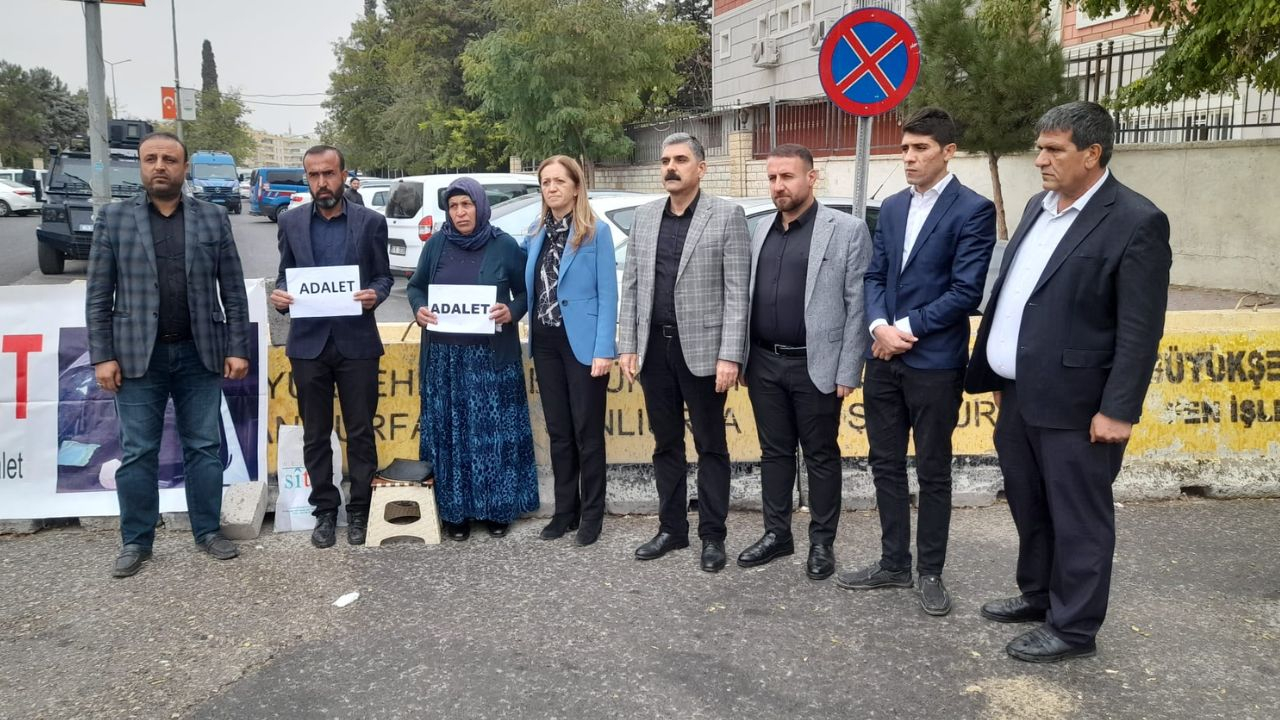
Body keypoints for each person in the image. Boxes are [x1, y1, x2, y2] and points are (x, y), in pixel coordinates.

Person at [966, 101, 1171, 662]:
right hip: (1020, 394)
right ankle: (1039, 595)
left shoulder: (1136, 221)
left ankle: (1075, 628)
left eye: (1054, 149)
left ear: (1092, 153)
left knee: (1079, 518)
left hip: (1080, 405)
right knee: (1030, 504)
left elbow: (1140, 329)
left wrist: (1119, 409)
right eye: (1040, 148)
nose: (1040, 160)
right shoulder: (1038, 206)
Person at [835, 108, 997, 617]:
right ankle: (893, 563)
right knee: (884, 463)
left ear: (948, 152)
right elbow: (874, 275)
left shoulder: (974, 210)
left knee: (933, 469)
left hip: (934, 362)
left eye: (920, 148)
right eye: (904, 147)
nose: (908, 157)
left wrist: (901, 330)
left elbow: (966, 291)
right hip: (883, 358)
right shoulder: (893, 207)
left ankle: (929, 570)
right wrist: (877, 326)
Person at [85, 131, 251, 577]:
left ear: (184, 168)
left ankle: (207, 531)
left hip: (201, 354)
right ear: (140, 165)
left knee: (204, 447)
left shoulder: (213, 218)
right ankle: (136, 541)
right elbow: (98, 295)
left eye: (170, 159)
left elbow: (233, 290)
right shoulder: (114, 219)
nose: (160, 166)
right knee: (139, 451)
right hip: (138, 357)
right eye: (151, 159)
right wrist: (102, 355)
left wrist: (237, 347)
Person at [736, 144, 872, 580]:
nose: (779, 185)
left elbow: (858, 305)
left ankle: (821, 543)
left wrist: (849, 369)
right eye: (772, 178)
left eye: (788, 176)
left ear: (811, 178)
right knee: (774, 453)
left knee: (820, 456)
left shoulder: (846, 230)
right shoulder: (760, 229)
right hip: (764, 363)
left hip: (818, 365)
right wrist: (742, 358)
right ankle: (777, 534)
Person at [618, 132, 750, 573]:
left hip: (705, 351)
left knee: (711, 445)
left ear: (701, 168)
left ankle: (713, 536)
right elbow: (632, 285)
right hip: (655, 349)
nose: (670, 168)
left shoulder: (727, 216)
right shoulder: (645, 217)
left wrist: (730, 355)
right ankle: (672, 529)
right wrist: (628, 345)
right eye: (665, 161)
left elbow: (737, 293)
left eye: (680, 160)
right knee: (665, 443)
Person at [269, 145, 392, 549]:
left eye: (329, 174)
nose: (322, 182)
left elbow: (384, 277)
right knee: (316, 434)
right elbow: (285, 276)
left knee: (361, 432)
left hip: (357, 343)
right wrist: (281, 296)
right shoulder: (290, 222)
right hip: (309, 344)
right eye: (314, 175)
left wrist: (376, 294)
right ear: (307, 178)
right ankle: (324, 510)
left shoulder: (371, 222)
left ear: (343, 175)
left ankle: (360, 510)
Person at [408, 177, 539, 540]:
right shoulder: (436, 245)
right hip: (445, 362)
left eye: (466, 205)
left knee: (492, 436)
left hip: (491, 361)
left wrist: (511, 311)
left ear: (480, 206)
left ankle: (498, 509)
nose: (460, 212)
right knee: (451, 437)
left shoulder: (503, 245)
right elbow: (415, 286)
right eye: (453, 206)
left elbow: (526, 292)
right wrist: (419, 309)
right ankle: (455, 513)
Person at [524, 156, 618, 546]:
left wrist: (604, 349)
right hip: (546, 342)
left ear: (576, 187)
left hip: (583, 344)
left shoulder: (595, 233)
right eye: (546, 182)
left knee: (587, 433)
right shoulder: (535, 232)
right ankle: (565, 511)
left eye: (559, 181)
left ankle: (592, 515)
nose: (552, 188)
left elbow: (608, 295)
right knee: (559, 432)